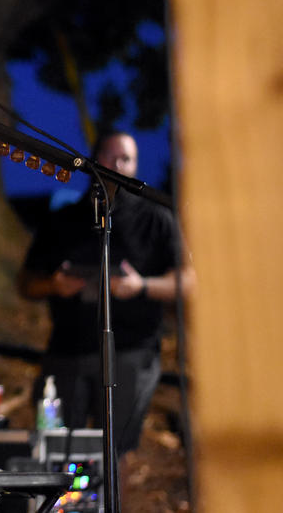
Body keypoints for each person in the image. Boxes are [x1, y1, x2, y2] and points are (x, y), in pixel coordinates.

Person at [18, 131, 195, 461]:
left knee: (116, 454)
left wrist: (141, 286)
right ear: (92, 160)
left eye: (126, 159)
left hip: (130, 353)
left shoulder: (156, 218)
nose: (117, 165)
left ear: (136, 165)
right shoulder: (64, 219)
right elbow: (26, 282)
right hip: (67, 349)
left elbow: (188, 280)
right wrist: (54, 285)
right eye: (110, 157)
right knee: (55, 449)